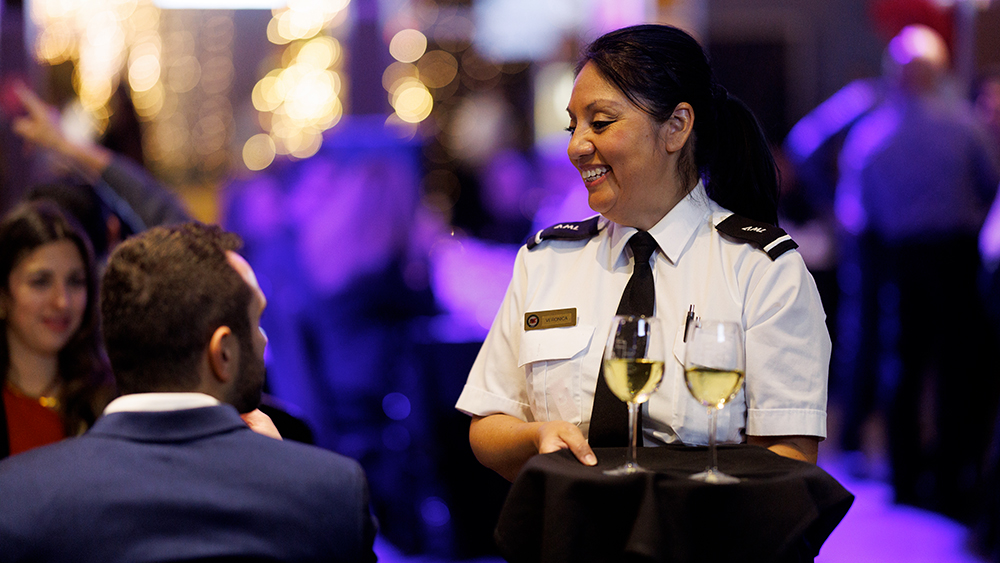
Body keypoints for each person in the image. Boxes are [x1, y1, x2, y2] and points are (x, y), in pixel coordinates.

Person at [455, 24, 831, 482]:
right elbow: (488, 423)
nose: (576, 147)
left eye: (600, 123)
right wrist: (537, 436)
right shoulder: (546, 260)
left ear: (676, 127)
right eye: (573, 126)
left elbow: (790, 456)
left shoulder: (760, 269)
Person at [0, 222, 378, 563]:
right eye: (256, 322)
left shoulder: (16, 496)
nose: (263, 341)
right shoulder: (330, 494)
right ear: (223, 352)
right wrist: (288, 479)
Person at [836, 25, 1000, 519]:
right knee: (954, 368)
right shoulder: (965, 127)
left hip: (899, 261)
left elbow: (855, 212)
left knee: (902, 367)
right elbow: (990, 186)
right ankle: (950, 477)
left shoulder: (872, 135)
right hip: (954, 259)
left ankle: (905, 477)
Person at [0, 200, 115, 460]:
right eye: (40, 282)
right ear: (2, 294)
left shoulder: (110, 402)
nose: (62, 301)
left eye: (75, 281)